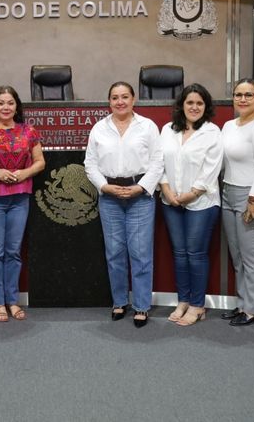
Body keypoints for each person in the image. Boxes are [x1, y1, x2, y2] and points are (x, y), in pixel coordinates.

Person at [84, 82, 163, 328]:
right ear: (109, 101)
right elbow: (90, 164)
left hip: (140, 195)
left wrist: (141, 187)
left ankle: (141, 305)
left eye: (125, 97)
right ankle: (119, 301)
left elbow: (158, 162)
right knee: (115, 252)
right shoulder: (99, 128)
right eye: (115, 97)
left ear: (133, 99)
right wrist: (104, 186)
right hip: (109, 196)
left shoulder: (147, 126)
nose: (120, 102)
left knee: (140, 252)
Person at [0, 86, 45, 322]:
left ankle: (13, 301)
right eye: (1, 103)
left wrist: (25, 173)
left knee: (13, 252)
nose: (5, 107)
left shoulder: (29, 131)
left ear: (17, 107)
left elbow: (40, 162)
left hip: (20, 197)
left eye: (10, 103)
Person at [159, 83, 223, 326]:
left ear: (206, 106)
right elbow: (158, 162)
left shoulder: (212, 132)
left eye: (199, 103)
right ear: (181, 105)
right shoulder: (167, 130)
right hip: (170, 201)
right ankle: (183, 300)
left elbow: (211, 169)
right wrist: (167, 190)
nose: (194, 107)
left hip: (202, 203)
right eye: (190, 102)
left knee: (195, 254)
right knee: (179, 254)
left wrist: (191, 194)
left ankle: (197, 305)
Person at [220, 78, 254, 326]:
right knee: (237, 255)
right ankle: (243, 303)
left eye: (249, 95)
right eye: (238, 95)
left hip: (252, 196)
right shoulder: (228, 126)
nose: (242, 99)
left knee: (251, 255)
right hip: (228, 193)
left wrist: (253, 198)